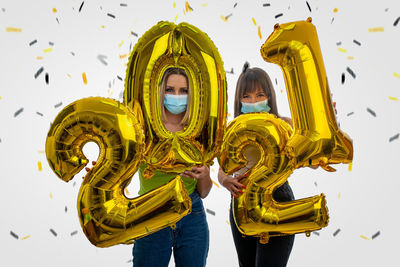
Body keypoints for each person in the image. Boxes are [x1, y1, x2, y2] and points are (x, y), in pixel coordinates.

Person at [132, 67, 212, 267]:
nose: (177, 96)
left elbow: (203, 192)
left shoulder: (198, 129)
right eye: (170, 89)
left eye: (183, 91)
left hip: (192, 216)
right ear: (160, 92)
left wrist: (204, 174)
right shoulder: (144, 127)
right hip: (151, 212)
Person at [218, 62, 295, 267]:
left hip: (276, 199)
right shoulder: (232, 129)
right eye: (246, 96)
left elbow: (313, 160)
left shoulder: (286, 124)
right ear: (239, 100)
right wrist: (226, 181)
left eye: (260, 95)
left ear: (269, 96)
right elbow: (222, 170)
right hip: (241, 202)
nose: (253, 101)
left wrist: (328, 120)